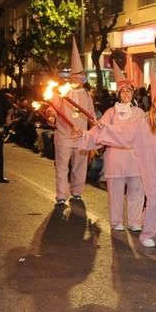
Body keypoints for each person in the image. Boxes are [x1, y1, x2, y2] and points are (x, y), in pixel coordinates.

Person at [85, 71, 156, 248]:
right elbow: (122, 134)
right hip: (144, 166)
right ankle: (139, 230)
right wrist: (98, 131)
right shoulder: (142, 120)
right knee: (151, 202)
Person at [98, 61, 144, 232]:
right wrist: (91, 133)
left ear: (133, 94)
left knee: (137, 190)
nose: (126, 93)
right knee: (115, 192)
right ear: (118, 94)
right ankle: (116, 221)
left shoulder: (140, 113)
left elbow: (147, 134)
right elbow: (99, 131)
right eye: (123, 91)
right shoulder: (110, 112)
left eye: (129, 91)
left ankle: (135, 221)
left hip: (134, 157)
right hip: (115, 157)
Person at [49, 39, 95, 204]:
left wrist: (94, 131)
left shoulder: (87, 95)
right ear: (71, 78)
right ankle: (61, 195)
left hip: (81, 136)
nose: (78, 80)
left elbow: (91, 117)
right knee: (62, 167)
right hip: (63, 135)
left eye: (81, 77)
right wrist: (51, 115)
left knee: (79, 167)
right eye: (75, 77)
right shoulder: (62, 92)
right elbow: (52, 109)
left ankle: (77, 191)